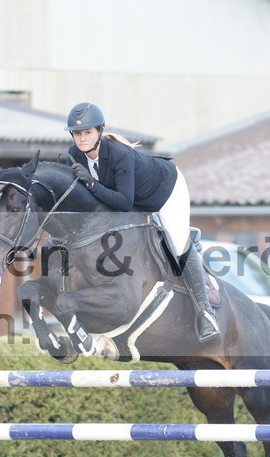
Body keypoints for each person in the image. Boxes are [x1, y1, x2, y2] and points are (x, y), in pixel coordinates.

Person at [63, 102, 220, 342]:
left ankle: (205, 313)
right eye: (77, 134)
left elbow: (125, 202)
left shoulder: (119, 154)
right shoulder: (74, 155)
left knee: (177, 245)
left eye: (87, 133)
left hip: (165, 192)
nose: (82, 139)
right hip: (132, 199)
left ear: (99, 132)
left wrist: (92, 184)